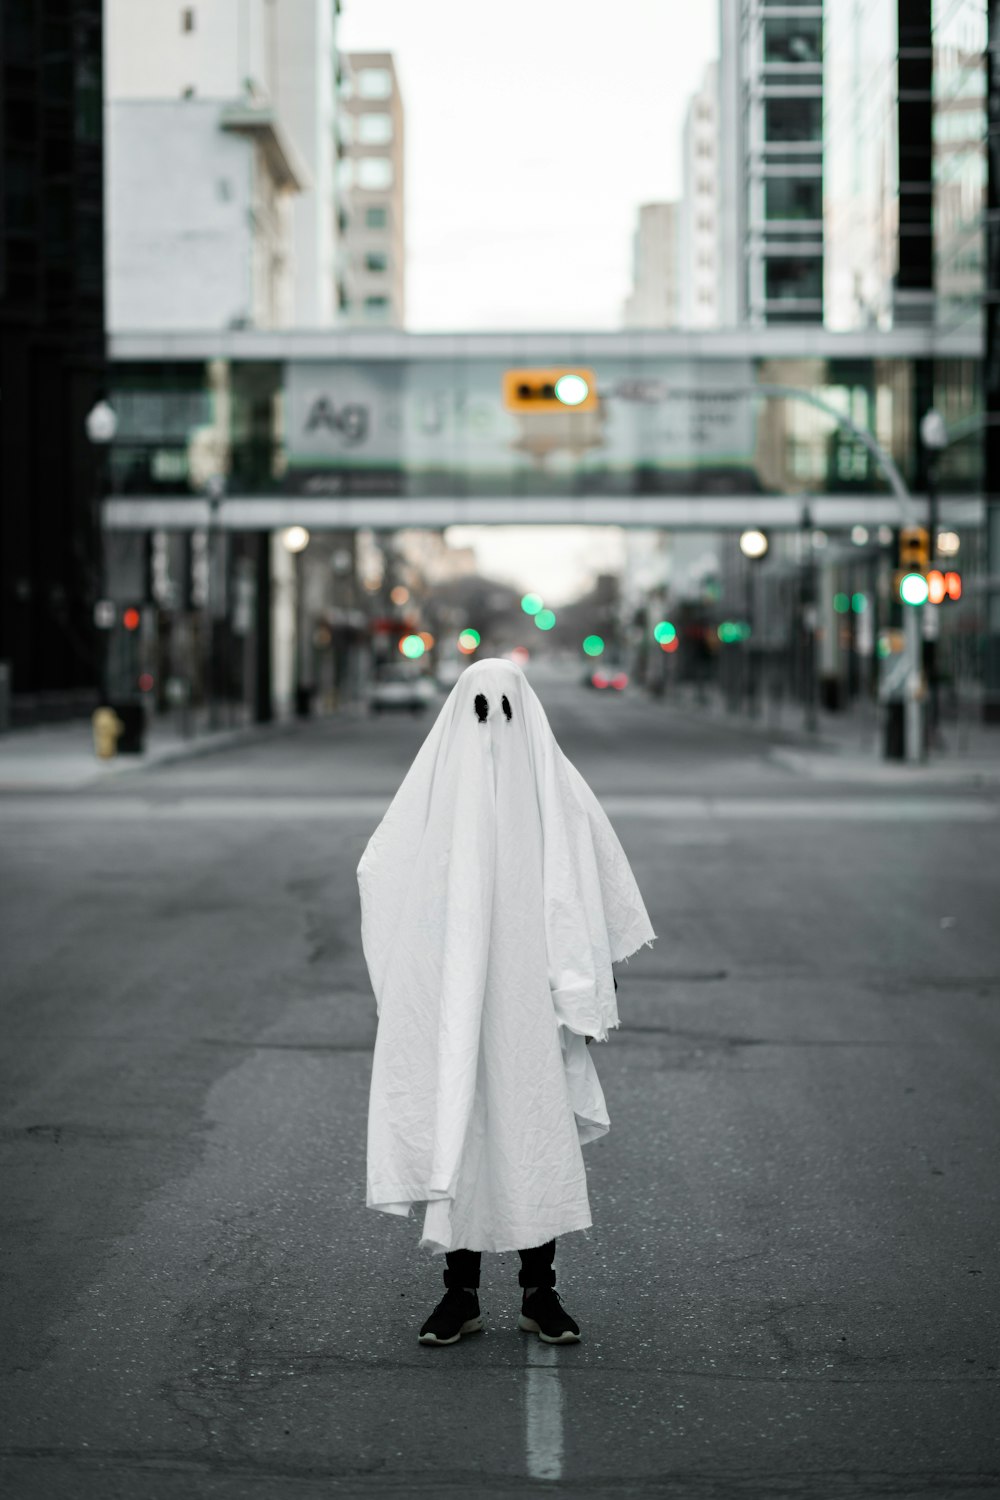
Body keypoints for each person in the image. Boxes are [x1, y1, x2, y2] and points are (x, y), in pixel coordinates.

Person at [357, 657, 655, 1345]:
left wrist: (586, 979)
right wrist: (412, 978)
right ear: (463, 715)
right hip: (457, 997)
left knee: (531, 1132)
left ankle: (539, 1292)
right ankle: (458, 1294)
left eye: (506, 711)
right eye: (481, 711)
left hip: (532, 1001)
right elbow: (385, 867)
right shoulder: (434, 794)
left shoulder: (555, 789)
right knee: (461, 1127)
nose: (494, 726)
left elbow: (593, 877)